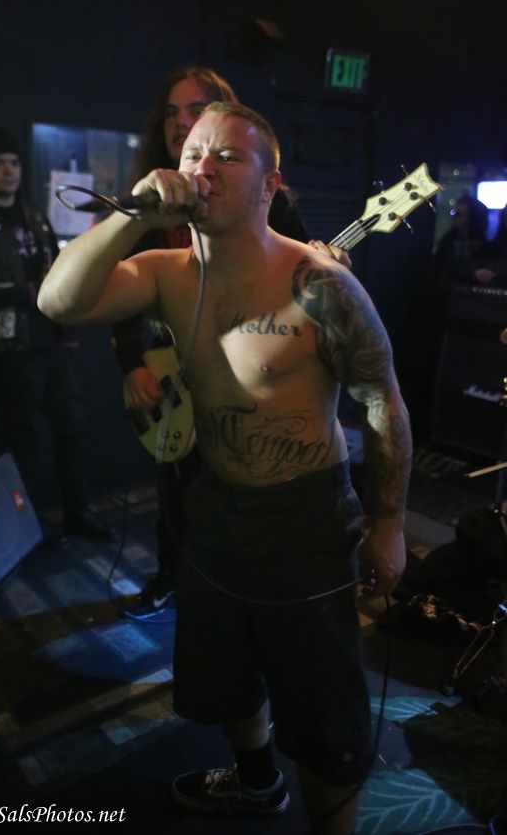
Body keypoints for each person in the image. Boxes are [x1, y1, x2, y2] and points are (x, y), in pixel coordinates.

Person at [38, 101, 412, 833]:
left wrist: (391, 523)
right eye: (192, 155)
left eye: (227, 157)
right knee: (225, 671)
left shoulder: (321, 283)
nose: (202, 168)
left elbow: (382, 400)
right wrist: (135, 217)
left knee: (323, 707)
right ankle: (256, 780)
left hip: (306, 516)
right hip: (216, 505)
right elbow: (59, 301)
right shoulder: (166, 270)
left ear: (271, 185)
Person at [111, 65, 328, 619]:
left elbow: (303, 275)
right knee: (173, 482)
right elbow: (109, 289)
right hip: (169, 367)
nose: (180, 123)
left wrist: (325, 269)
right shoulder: (152, 201)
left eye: (195, 110)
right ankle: (172, 576)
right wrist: (132, 363)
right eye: (171, 114)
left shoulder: (268, 200)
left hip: (236, 373)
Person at [0, 128, 109, 540]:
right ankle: (27, 527)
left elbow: (56, 275)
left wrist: (64, 326)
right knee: (22, 441)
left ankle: (77, 512)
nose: (8, 171)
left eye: (14, 163)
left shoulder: (35, 216)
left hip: (49, 343)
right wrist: (19, 293)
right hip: (5, 350)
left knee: (73, 427)